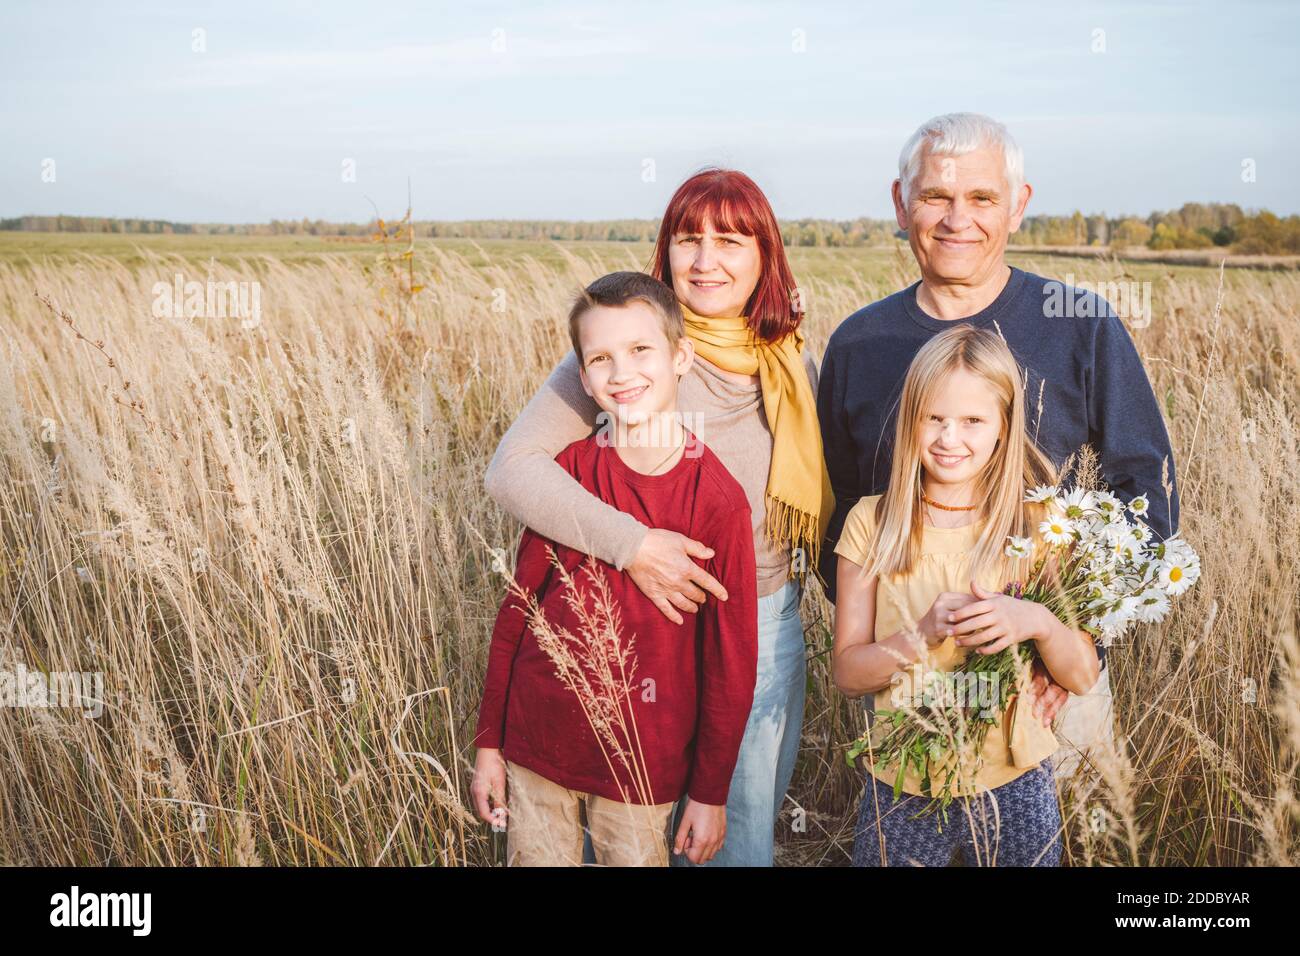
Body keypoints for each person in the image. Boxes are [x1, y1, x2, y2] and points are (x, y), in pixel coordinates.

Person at [483, 169, 833, 866]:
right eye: (687, 239)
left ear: (765, 254)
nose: (706, 260)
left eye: (731, 240)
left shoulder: (795, 367)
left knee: (734, 836)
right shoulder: (629, 350)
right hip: (634, 620)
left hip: (756, 632)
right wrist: (632, 545)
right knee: (623, 836)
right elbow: (512, 469)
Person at [818, 112, 1179, 749]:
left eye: (982, 198)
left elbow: (1148, 492)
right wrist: (887, 646)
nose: (959, 220)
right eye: (935, 197)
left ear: (1018, 205)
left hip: (1049, 690)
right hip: (911, 693)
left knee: (1053, 845)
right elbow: (839, 508)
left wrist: (1073, 641)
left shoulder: (1081, 325)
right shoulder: (859, 342)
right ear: (901, 205)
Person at [471, 271, 758, 866]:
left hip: (641, 766)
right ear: (582, 377)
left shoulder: (717, 501)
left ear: (682, 356)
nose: (622, 373)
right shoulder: (567, 475)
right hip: (538, 748)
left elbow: (730, 662)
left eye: (640, 350)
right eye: (601, 357)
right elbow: (519, 609)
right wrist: (490, 743)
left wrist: (710, 792)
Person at [832, 324, 1099, 866]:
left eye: (973, 421)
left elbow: (1082, 675)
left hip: (1015, 780)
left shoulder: (1037, 524)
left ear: (1004, 425)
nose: (950, 438)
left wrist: (1037, 622)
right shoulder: (872, 523)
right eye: (934, 418)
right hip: (902, 779)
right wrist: (922, 634)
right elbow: (848, 673)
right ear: (911, 420)